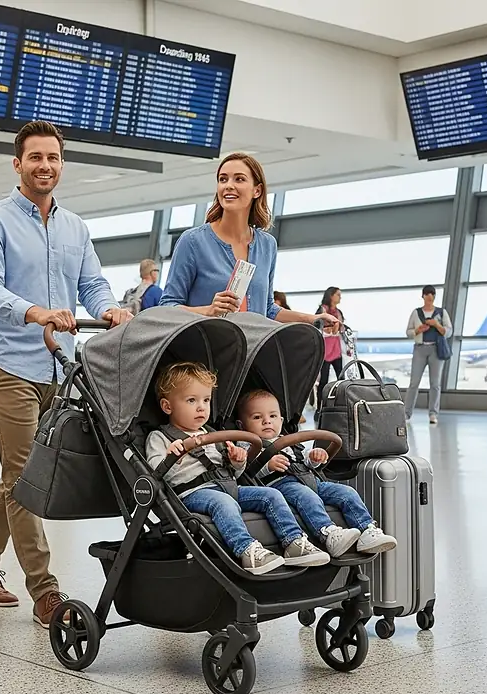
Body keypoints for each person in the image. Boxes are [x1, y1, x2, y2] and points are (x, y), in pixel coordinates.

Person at [0, 120, 133, 628]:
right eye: (35, 158)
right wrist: (35, 311)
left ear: (62, 164)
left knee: (25, 476)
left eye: (53, 158)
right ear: (18, 164)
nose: (45, 166)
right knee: (21, 474)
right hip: (10, 362)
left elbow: (92, 283)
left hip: (61, 364)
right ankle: (45, 589)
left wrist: (108, 310)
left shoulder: (75, 227)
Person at [146, 362, 328, 575]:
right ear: (168, 407)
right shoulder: (159, 437)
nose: (201, 407)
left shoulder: (213, 434)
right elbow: (155, 472)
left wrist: (237, 461)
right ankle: (246, 549)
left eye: (206, 400)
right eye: (191, 400)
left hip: (228, 487)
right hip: (193, 493)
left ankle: (294, 541)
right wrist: (171, 456)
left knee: (272, 494)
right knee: (222, 503)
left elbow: (236, 475)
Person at [160, 152, 338, 329]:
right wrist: (208, 311)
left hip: (252, 351)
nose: (228, 185)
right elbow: (167, 307)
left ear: (257, 190)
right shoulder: (193, 241)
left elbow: (267, 309)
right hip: (202, 351)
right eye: (223, 179)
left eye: (239, 179)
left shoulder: (267, 245)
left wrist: (311, 318)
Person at [237, 389, 397, 555]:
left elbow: (303, 458)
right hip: (280, 484)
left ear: (282, 420)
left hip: (309, 479)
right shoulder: (248, 444)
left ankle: (367, 529)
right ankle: (327, 533)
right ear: (241, 424)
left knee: (346, 492)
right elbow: (246, 470)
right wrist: (267, 465)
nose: (267, 422)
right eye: (257, 417)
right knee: (305, 495)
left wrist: (314, 458)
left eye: (273, 416)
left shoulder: (287, 440)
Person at [404, 285, 452, 425]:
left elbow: (448, 332)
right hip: (420, 348)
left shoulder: (441, 313)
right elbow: (408, 332)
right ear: (423, 296)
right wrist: (418, 330)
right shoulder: (416, 313)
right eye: (427, 294)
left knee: (435, 384)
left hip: (436, 350)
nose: (429, 297)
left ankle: (433, 413)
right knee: (414, 382)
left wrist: (436, 325)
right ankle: (407, 413)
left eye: (432, 294)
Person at [315, 287, 345, 404]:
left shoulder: (338, 312)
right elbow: (316, 327)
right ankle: (320, 408)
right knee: (323, 381)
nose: (340, 297)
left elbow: (341, 328)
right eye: (338, 294)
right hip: (325, 352)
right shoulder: (322, 310)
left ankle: (341, 405)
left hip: (336, 350)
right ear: (331, 296)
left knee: (341, 379)